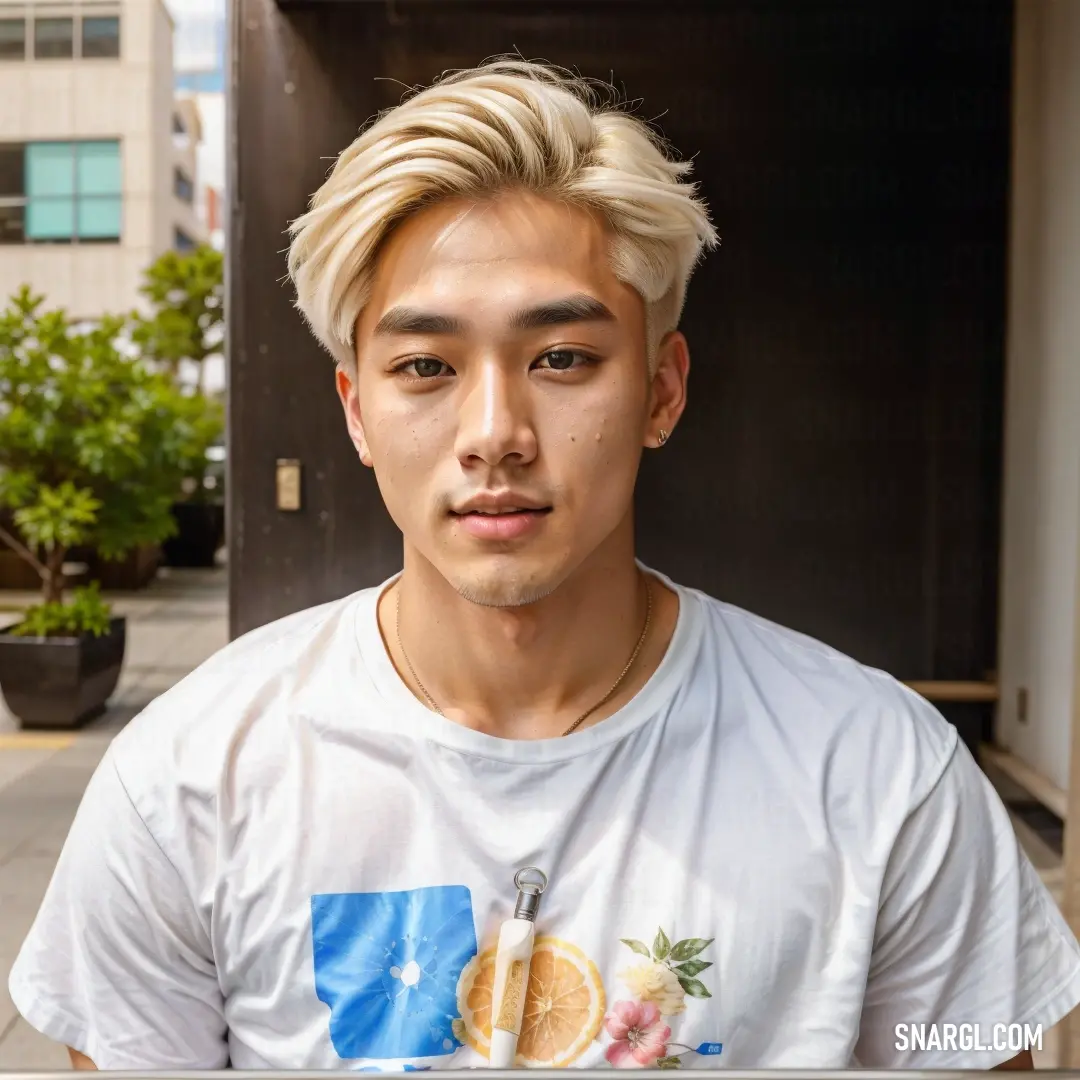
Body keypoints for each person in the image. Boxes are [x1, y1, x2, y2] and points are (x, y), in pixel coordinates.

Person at [9, 58, 1079, 1073]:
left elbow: (969, 1055)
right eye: (424, 365)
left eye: (562, 358)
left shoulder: (881, 775)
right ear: (358, 411)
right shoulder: (190, 781)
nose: (494, 432)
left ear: (662, 390)